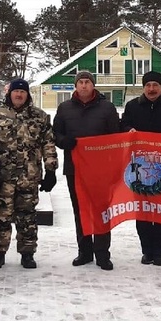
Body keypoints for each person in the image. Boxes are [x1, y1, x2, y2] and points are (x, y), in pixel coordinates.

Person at [0, 78, 58, 270]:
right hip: (3, 178)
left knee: (27, 217)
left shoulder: (39, 117)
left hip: (29, 177)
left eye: (23, 92)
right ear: (10, 94)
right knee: (0, 216)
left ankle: (27, 253)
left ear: (27, 95)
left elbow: (48, 144)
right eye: (16, 92)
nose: (19, 95)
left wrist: (51, 170)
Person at [53, 71, 120, 270]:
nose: (83, 85)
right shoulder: (64, 108)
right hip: (75, 168)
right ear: (76, 85)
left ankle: (102, 253)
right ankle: (85, 251)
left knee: (101, 210)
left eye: (87, 82)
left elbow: (115, 136)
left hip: (101, 170)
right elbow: (56, 133)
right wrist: (64, 141)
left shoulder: (107, 108)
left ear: (93, 85)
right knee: (80, 209)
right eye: (80, 82)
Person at [121, 71, 161, 266]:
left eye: (155, 85)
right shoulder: (132, 106)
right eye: (148, 85)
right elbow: (123, 126)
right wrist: (128, 131)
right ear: (143, 87)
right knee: (144, 211)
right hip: (139, 169)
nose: (151, 89)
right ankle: (146, 250)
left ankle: (160, 251)